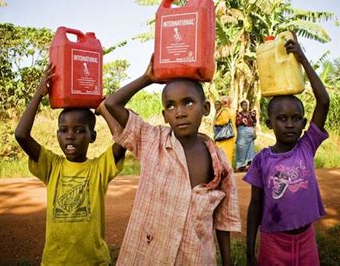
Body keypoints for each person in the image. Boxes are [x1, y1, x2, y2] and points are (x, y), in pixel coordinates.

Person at [104, 56, 241, 266]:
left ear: (205, 108)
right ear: (164, 115)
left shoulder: (220, 161)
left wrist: (228, 261)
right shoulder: (151, 140)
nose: (179, 112)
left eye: (188, 102)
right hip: (149, 256)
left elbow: (224, 219)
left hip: (195, 257)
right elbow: (112, 104)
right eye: (170, 106)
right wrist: (147, 78)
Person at [14, 63, 126, 266]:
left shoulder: (99, 168)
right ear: (57, 134)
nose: (70, 137)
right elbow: (21, 135)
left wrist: (104, 109)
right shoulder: (51, 166)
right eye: (63, 130)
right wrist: (39, 94)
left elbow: (123, 139)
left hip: (94, 261)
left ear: (92, 136)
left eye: (79, 130)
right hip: (56, 261)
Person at [244, 32, 330, 266]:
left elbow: (323, 101)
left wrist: (302, 59)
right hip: (273, 243)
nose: (290, 124)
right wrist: (250, 251)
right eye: (282, 118)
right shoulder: (262, 160)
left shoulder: (307, 146)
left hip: (306, 240)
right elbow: (255, 206)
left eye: (296, 118)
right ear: (270, 123)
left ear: (304, 123)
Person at [213, 96, 237, 168]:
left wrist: (216, 123)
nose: (224, 103)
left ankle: (225, 168)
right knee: (226, 152)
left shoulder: (225, 111)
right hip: (229, 134)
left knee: (224, 152)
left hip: (226, 134)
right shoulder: (229, 110)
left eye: (225, 102)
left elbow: (225, 121)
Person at [235, 99, 256, 172]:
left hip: (250, 132)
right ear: (241, 106)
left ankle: (249, 165)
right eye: (243, 105)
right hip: (241, 133)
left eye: (246, 105)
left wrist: (254, 133)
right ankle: (240, 166)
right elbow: (236, 124)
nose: (245, 106)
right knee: (240, 148)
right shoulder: (238, 114)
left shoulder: (251, 114)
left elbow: (254, 124)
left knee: (250, 149)